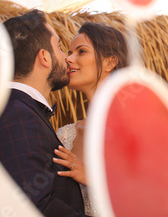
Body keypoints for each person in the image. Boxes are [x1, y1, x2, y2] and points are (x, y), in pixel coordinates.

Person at [0, 9, 88, 216]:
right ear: (44, 57)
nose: (66, 58)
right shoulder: (17, 114)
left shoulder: (19, 109)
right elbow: (34, 205)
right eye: (59, 48)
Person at [54, 22, 128, 216]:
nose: (69, 59)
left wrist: (94, 179)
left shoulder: (134, 127)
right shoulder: (65, 135)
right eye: (69, 52)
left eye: (81, 51)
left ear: (110, 62)